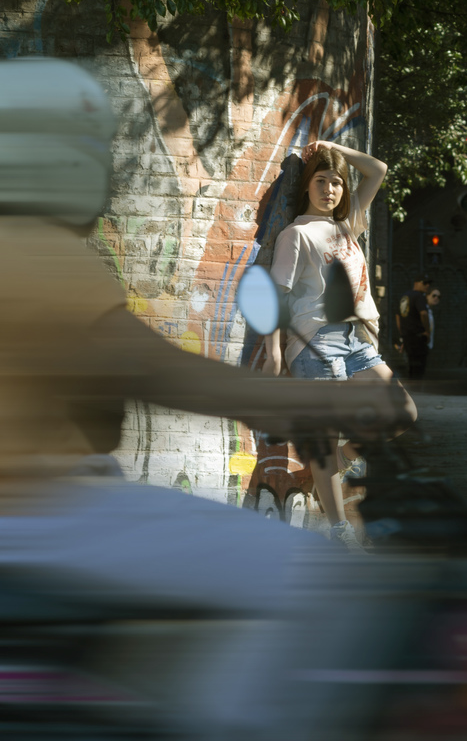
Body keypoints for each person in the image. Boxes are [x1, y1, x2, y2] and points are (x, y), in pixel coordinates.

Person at [0, 57, 417, 741]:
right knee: (313, 580)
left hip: (50, 517)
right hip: (47, 518)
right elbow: (162, 373)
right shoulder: (40, 255)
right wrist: (305, 403)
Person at [264, 139, 395, 550]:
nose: (329, 189)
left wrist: (333, 147)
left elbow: (377, 169)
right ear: (307, 185)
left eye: (337, 182)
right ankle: (339, 531)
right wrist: (273, 351)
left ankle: (338, 462)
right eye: (321, 180)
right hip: (314, 342)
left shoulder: (347, 225)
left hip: (355, 339)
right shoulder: (296, 234)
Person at [397, 275, 432, 380]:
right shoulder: (419, 296)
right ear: (416, 283)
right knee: (419, 368)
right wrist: (427, 331)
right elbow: (423, 314)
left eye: (428, 283)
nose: (427, 285)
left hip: (407, 337)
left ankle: (412, 387)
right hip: (418, 337)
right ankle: (417, 387)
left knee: (411, 366)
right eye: (424, 283)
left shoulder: (404, 296)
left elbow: (397, 316)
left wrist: (402, 332)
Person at [425, 287, 441, 352]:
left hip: (427, 347)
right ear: (427, 296)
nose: (436, 298)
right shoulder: (423, 311)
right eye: (434, 295)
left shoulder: (430, 311)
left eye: (439, 297)